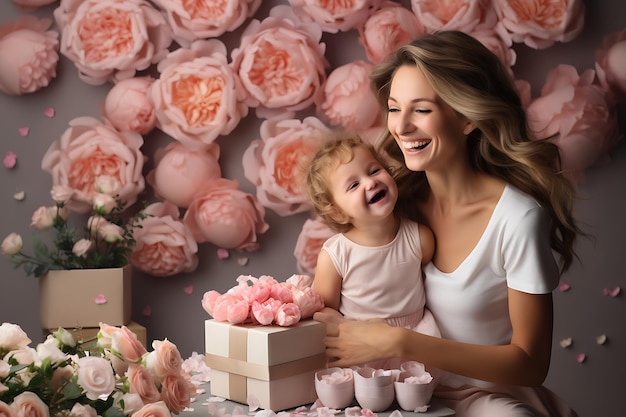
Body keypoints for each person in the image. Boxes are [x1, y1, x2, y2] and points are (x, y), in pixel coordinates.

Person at [313, 31, 582, 417]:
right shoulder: (391, 204)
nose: (401, 127)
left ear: (468, 116)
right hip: (390, 398)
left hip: (487, 403)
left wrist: (399, 342)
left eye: (420, 110)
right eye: (393, 108)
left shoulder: (517, 219)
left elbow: (531, 364)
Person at [305, 135, 439, 371]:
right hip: (361, 342)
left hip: (414, 337)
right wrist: (343, 326)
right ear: (337, 212)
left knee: (417, 395)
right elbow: (324, 309)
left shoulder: (420, 238)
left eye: (374, 170)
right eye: (353, 185)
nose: (370, 183)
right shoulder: (336, 254)